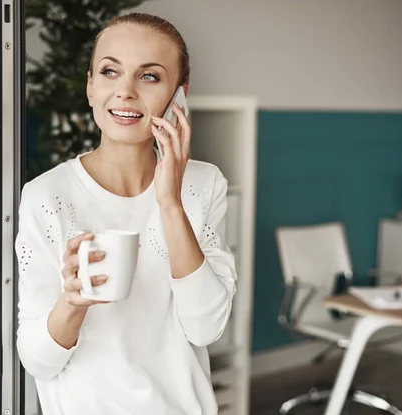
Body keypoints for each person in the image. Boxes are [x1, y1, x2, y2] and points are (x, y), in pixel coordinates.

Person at [15, 12, 237, 415]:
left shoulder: (204, 185)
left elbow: (206, 328)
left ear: (179, 95)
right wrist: (73, 302)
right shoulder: (46, 196)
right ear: (90, 86)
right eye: (110, 72)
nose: (125, 91)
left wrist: (169, 202)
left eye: (149, 76)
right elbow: (38, 362)